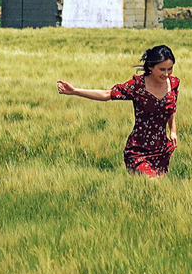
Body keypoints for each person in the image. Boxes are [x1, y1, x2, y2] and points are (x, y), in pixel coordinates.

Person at [57, 45, 179, 178]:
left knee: (153, 193)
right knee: (150, 182)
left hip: (161, 150)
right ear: (150, 66)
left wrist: (173, 131)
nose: (166, 74)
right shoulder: (137, 86)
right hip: (138, 150)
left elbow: (170, 108)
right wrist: (75, 91)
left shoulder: (173, 83)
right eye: (162, 69)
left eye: (170, 68)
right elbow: (107, 94)